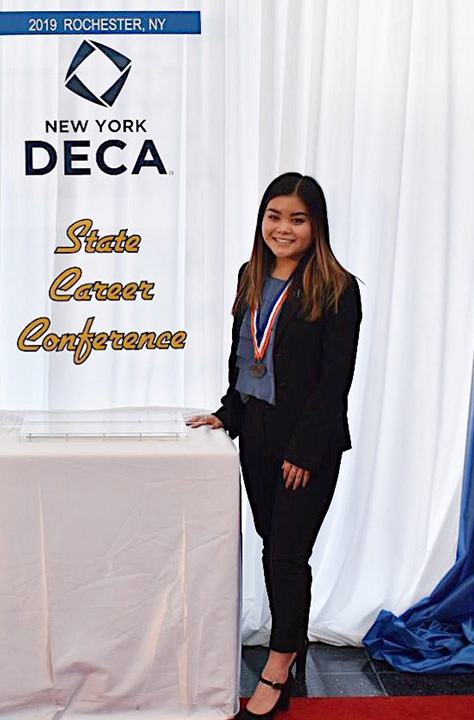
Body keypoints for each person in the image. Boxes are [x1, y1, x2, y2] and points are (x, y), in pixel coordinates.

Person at [188, 172, 361, 719]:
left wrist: (306, 452)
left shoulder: (337, 287)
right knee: (275, 547)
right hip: (256, 437)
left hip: (305, 448)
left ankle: (278, 664)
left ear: (316, 226)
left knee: (287, 552)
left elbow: (336, 380)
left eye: (297, 219)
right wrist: (226, 414)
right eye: (274, 216)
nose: (283, 228)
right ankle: (294, 643)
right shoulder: (252, 274)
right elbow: (244, 355)